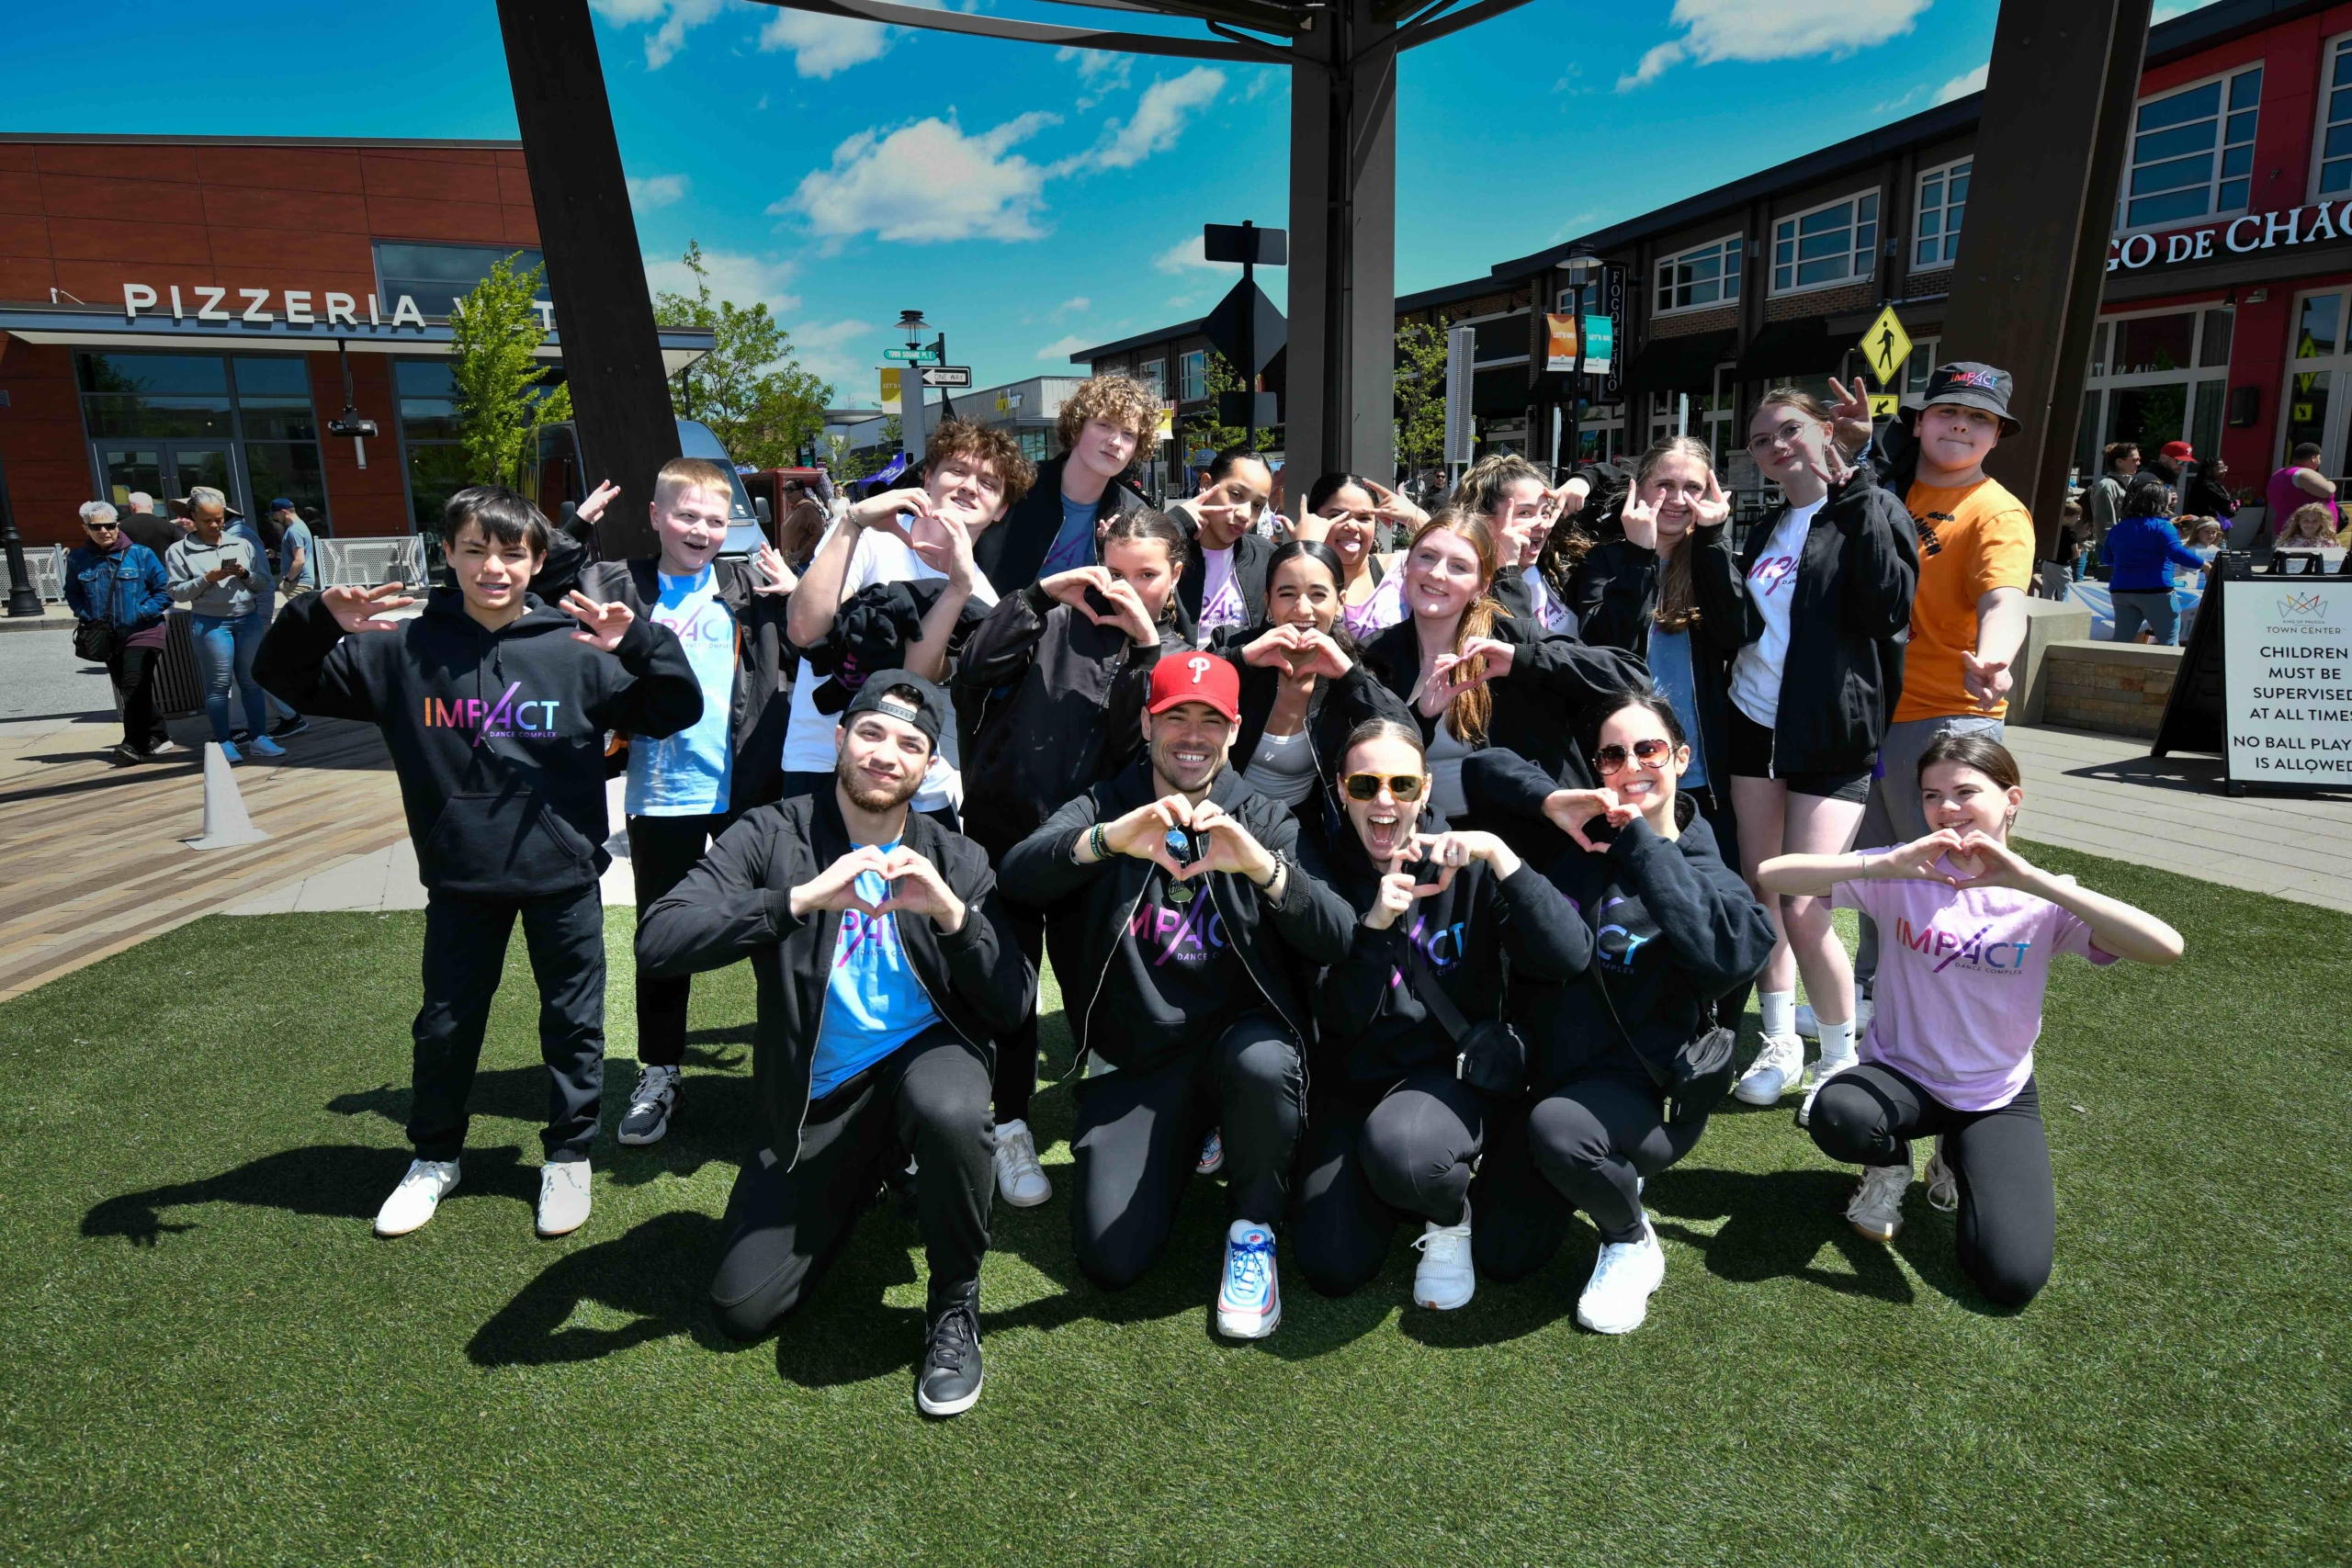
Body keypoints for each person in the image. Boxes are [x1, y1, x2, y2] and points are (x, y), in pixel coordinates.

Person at [255, 485, 701, 1241]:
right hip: (461, 876)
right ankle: (434, 1157)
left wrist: (639, 642)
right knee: (445, 1025)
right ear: (449, 554)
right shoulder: (400, 650)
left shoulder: (578, 647)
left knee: (573, 1023)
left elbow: (676, 707)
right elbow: (282, 678)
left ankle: (567, 1155)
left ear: (537, 561)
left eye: (511, 553)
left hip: (563, 875)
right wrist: (316, 618)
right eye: (475, 550)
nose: (493, 567)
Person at [635, 673, 1033, 1416]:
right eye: (872, 733)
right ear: (842, 738)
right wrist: (798, 900)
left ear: (929, 765)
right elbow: (658, 938)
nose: (886, 754)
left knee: (949, 1107)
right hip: (816, 1099)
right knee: (741, 1308)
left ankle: (954, 1299)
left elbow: (1012, 1004)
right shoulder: (771, 833)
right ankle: (873, 1170)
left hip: (923, 1063)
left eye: (910, 743)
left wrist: (953, 917)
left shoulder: (955, 856)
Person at [997, 652, 1352, 1338]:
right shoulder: (1108, 803)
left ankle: (1252, 1228)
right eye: (1175, 717)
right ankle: (1197, 1132)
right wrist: (1107, 841)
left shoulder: (1264, 816)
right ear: (1146, 723)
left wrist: (1261, 866)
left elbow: (1337, 933)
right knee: (1111, 1260)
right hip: (1142, 1059)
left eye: (1210, 720)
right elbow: (1018, 874)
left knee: (1263, 1063)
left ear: (1235, 730)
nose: (1192, 736)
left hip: (1239, 1047)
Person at [1760, 733, 2183, 1308]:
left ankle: (1954, 1155)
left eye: (1965, 792)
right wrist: (1884, 863)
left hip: (1994, 1095)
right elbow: (1773, 874)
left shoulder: (2043, 896)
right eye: (1932, 795)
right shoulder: (1905, 873)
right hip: (1901, 1076)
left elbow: (2166, 947)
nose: (1947, 808)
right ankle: (1888, 1167)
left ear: (2012, 800)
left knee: (2011, 1279)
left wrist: (2031, 881)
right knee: (1839, 1114)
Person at [1467, 692, 1776, 1333]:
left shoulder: (1709, 870)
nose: (1631, 766)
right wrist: (1552, 800)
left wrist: (1641, 842)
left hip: (1646, 1099)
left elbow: (1730, 954)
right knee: (1503, 1254)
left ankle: (1630, 1238)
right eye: (1612, 755)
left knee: (1561, 1130)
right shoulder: (1580, 837)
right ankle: (1592, 1174)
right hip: (1551, 1082)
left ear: (1681, 758)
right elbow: (1483, 769)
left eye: (1649, 750)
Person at [1294, 718, 1585, 1309]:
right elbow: (1340, 1020)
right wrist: (1374, 928)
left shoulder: (1465, 858)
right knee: (1331, 1266)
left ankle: (1449, 1214)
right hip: (1355, 1082)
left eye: (1401, 785)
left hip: (1451, 1076)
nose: (1384, 801)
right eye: (1364, 785)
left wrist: (1499, 854)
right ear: (1340, 790)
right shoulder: (1317, 872)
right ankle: (1405, 1182)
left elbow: (1569, 954)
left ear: (1425, 788)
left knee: (1412, 1157)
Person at [955, 509, 1195, 1207]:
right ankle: (1009, 1122)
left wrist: (1146, 647)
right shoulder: (1052, 618)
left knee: (1104, 982)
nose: (1125, 588)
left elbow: (1136, 744)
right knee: (1009, 989)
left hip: (1099, 847)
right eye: (1114, 571)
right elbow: (971, 670)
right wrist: (1035, 596)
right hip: (1006, 836)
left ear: (1175, 576)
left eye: (1146, 575)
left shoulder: (1175, 650)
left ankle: (1126, 1108)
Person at [1691, 388, 1917, 1114]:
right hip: (1754, 726)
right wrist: (1712, 539)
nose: (1775, 446)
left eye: (1788, 429)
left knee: (1803, 900)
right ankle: (1780, 1039)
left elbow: (1888, 607)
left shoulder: (1871, 506)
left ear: (1824, 430)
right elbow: (1738, 630)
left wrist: (1858, 484)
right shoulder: (1765, 527)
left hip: (1832, 734)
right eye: (1760, 440)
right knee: (1764, 893)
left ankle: (1840, 1053)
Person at [569, 457, 799, 1148]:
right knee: (664, 938)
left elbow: (816, 637)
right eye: (686, 515)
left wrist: (797, 595)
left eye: (714, 519)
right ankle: (660, 1069)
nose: (700, 530)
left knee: (775, 930)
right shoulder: (622, 583)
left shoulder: (749, 585)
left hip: (748, 791)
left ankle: (788, 1066)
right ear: (655, 516)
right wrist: (572, 530)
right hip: (663, 791)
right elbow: (546, 585)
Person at [1842, 364, 2036, 1070]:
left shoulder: (1997, 512)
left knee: (1953, 878)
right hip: (1876, 713)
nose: (1961, 425)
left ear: (1997, 435)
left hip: (1951, 720)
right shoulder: (1891, 487)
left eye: (1980, 418)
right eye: (1950, 411)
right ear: (1920, 421)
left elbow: (2004, 598)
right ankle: (1873, 995)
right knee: (1884, 871)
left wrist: (1996, 656)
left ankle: (1948, 1023)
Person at [1566, 435, 1749, 1028]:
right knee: (1628, 902)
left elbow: (1736, 631)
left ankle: (1716, 1027)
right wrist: (1641, 556)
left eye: (1692, 487)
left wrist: (1714, 539)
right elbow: (1606, 648)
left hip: (1696, 773)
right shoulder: (1607, 560)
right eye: (1664, 484)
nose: (1676, 498)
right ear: (1639, 489)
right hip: (1625, 771)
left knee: (1711, 897)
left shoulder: (1712, 556)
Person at [781, 419, 1035, 813]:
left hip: (912, 773)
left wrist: (957, 590)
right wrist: (852, 521)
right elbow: (803, 629)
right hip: (822, 757)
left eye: (988, 483)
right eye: (957, 470)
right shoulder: (869, 535)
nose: (970, 487)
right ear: (928, 478)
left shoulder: (981, 595)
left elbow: (914, 680)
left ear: (1001, 509)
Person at [1361, 511, 1645, 832]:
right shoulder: (1377, 654)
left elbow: (1631, 676)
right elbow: (1371, 763)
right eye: (1427, 557)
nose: (1437, 574)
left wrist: (1523, 660)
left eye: (1458, 567)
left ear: (1481, 587)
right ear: (1406, 566)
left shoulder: (1510, 637)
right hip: (1428, 839)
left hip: (1530, 839)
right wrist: (1421, 717)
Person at [1211, 539, 1416, 824]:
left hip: (1301, 825)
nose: (1303, 609)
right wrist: (1241, 659)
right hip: (1221, 812)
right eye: (1287, 594)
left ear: (1340, 602)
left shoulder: (1350, 670)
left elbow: (1406, 735)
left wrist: (1350, 676)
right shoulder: (1233, 645)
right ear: (1268, 601)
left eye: (1318, 594)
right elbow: (1184, 694)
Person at [973, 373, 1157, 589]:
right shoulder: (1018, 484)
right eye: (1104, 425)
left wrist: (1115, 556)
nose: (1116, 442)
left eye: (1128, 434)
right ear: (1077, 427)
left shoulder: (1134, 514)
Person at [164, 487, 283, 762]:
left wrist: (245, 574)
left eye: (219, 519)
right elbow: (177, 593)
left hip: (247, 618)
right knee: (218, 686)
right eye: (207, 520)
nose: (215, 525)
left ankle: (259, 738)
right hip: (210, 623)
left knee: (252, 681)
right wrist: (207, 578)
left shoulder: (241, 544)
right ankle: (224, 742)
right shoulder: (178, 551)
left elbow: (263, 584)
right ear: (193, 518)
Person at [65, 501, 176, 763]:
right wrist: (86, 615)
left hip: (144, 631)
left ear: (117, 525)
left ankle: (133, 743)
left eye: (109, 525)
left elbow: (165, 592)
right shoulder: (78, 559)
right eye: (96, 527)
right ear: (86, 529)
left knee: (133, 683)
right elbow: (73, 593)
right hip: (106, 636)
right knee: (130, 688)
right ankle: (157, 734)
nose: (104, 531)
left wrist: (140, 613)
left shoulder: (141, 554)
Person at [1451, 452, 1586, 626]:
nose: (1542, 524)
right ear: (1483, 519)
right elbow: (1521, 638)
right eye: (1525, 513)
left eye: (1545, 512)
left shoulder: (1559, 566)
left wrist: (1583, 480)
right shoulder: (1463, 588)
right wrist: (1508, 570)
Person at [1292, 472, 1420, 638]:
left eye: (1364, 518)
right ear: (1313, 519)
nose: (1352, 526)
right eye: (1337, 516)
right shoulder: (1290, 575)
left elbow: (1452, 561)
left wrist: (1419, 519)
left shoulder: (1401, 568)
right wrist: (1304, 549)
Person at [1167, 446, 1275, 643]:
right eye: (1236, 494)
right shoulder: (1167, 554)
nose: (1245, 514)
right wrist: (1177, 520)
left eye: (1257, 505)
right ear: (1206, 485)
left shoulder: (1265, 556)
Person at [2102, 472, 2207, 645]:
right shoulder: (2164, 526)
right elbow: (2176, 553)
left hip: (2121, 590)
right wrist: (2205, 564)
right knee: (2169, 642)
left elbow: (2107, 558)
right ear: (2161, 502)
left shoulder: (2117, 528)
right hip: (2156, 590)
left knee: (2121, 642)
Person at [2266, 443, 2336, 544]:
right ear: (2313, 458)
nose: (2319, 462)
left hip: (2290, 528)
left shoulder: (2280, 473)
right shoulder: (2304, 473)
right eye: (2319, 458)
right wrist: (2331, 483)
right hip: (2305, 534)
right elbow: (2328, 491)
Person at [2089, 442, 2139, 559]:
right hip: (2113, 548)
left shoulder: (2133, 483)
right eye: (2134, 460)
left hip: (2127, 546)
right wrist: (2117, 548)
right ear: (2119, 461)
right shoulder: (2106, 486)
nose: (2138, 463)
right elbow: (2104, 525)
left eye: (2139, 459)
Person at [778, 478, 828, 571]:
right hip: (793, 564)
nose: (787, 493)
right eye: (784, 490)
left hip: (804, 564)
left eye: (790, 490)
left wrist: (801, 552)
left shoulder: (808, 508)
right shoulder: (794, 508)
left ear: (801, 492)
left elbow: (819, 535)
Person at [117, 491, 181, 560]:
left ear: (132, 507)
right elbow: (180, 546)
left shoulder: (121, 526)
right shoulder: (168, 525)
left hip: (134, 565)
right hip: (162, 566)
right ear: (152, 506)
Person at [2182, 453, 2236, 523]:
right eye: (2220, 468)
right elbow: (2228, 509)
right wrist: (2235, 504)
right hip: (2206, 525)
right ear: (2209, 470)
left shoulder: (2203, 484)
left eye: (2224, 468)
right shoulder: (2207, 487)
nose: (2224, 471)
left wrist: (2234, 504)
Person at [2273, 502, 2341, 550]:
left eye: (2315, 521)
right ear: (2298, 521)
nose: (2310, 524)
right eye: (2305, 520)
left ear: (2322, 523)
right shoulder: (2288, 543)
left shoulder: (2329, 545)